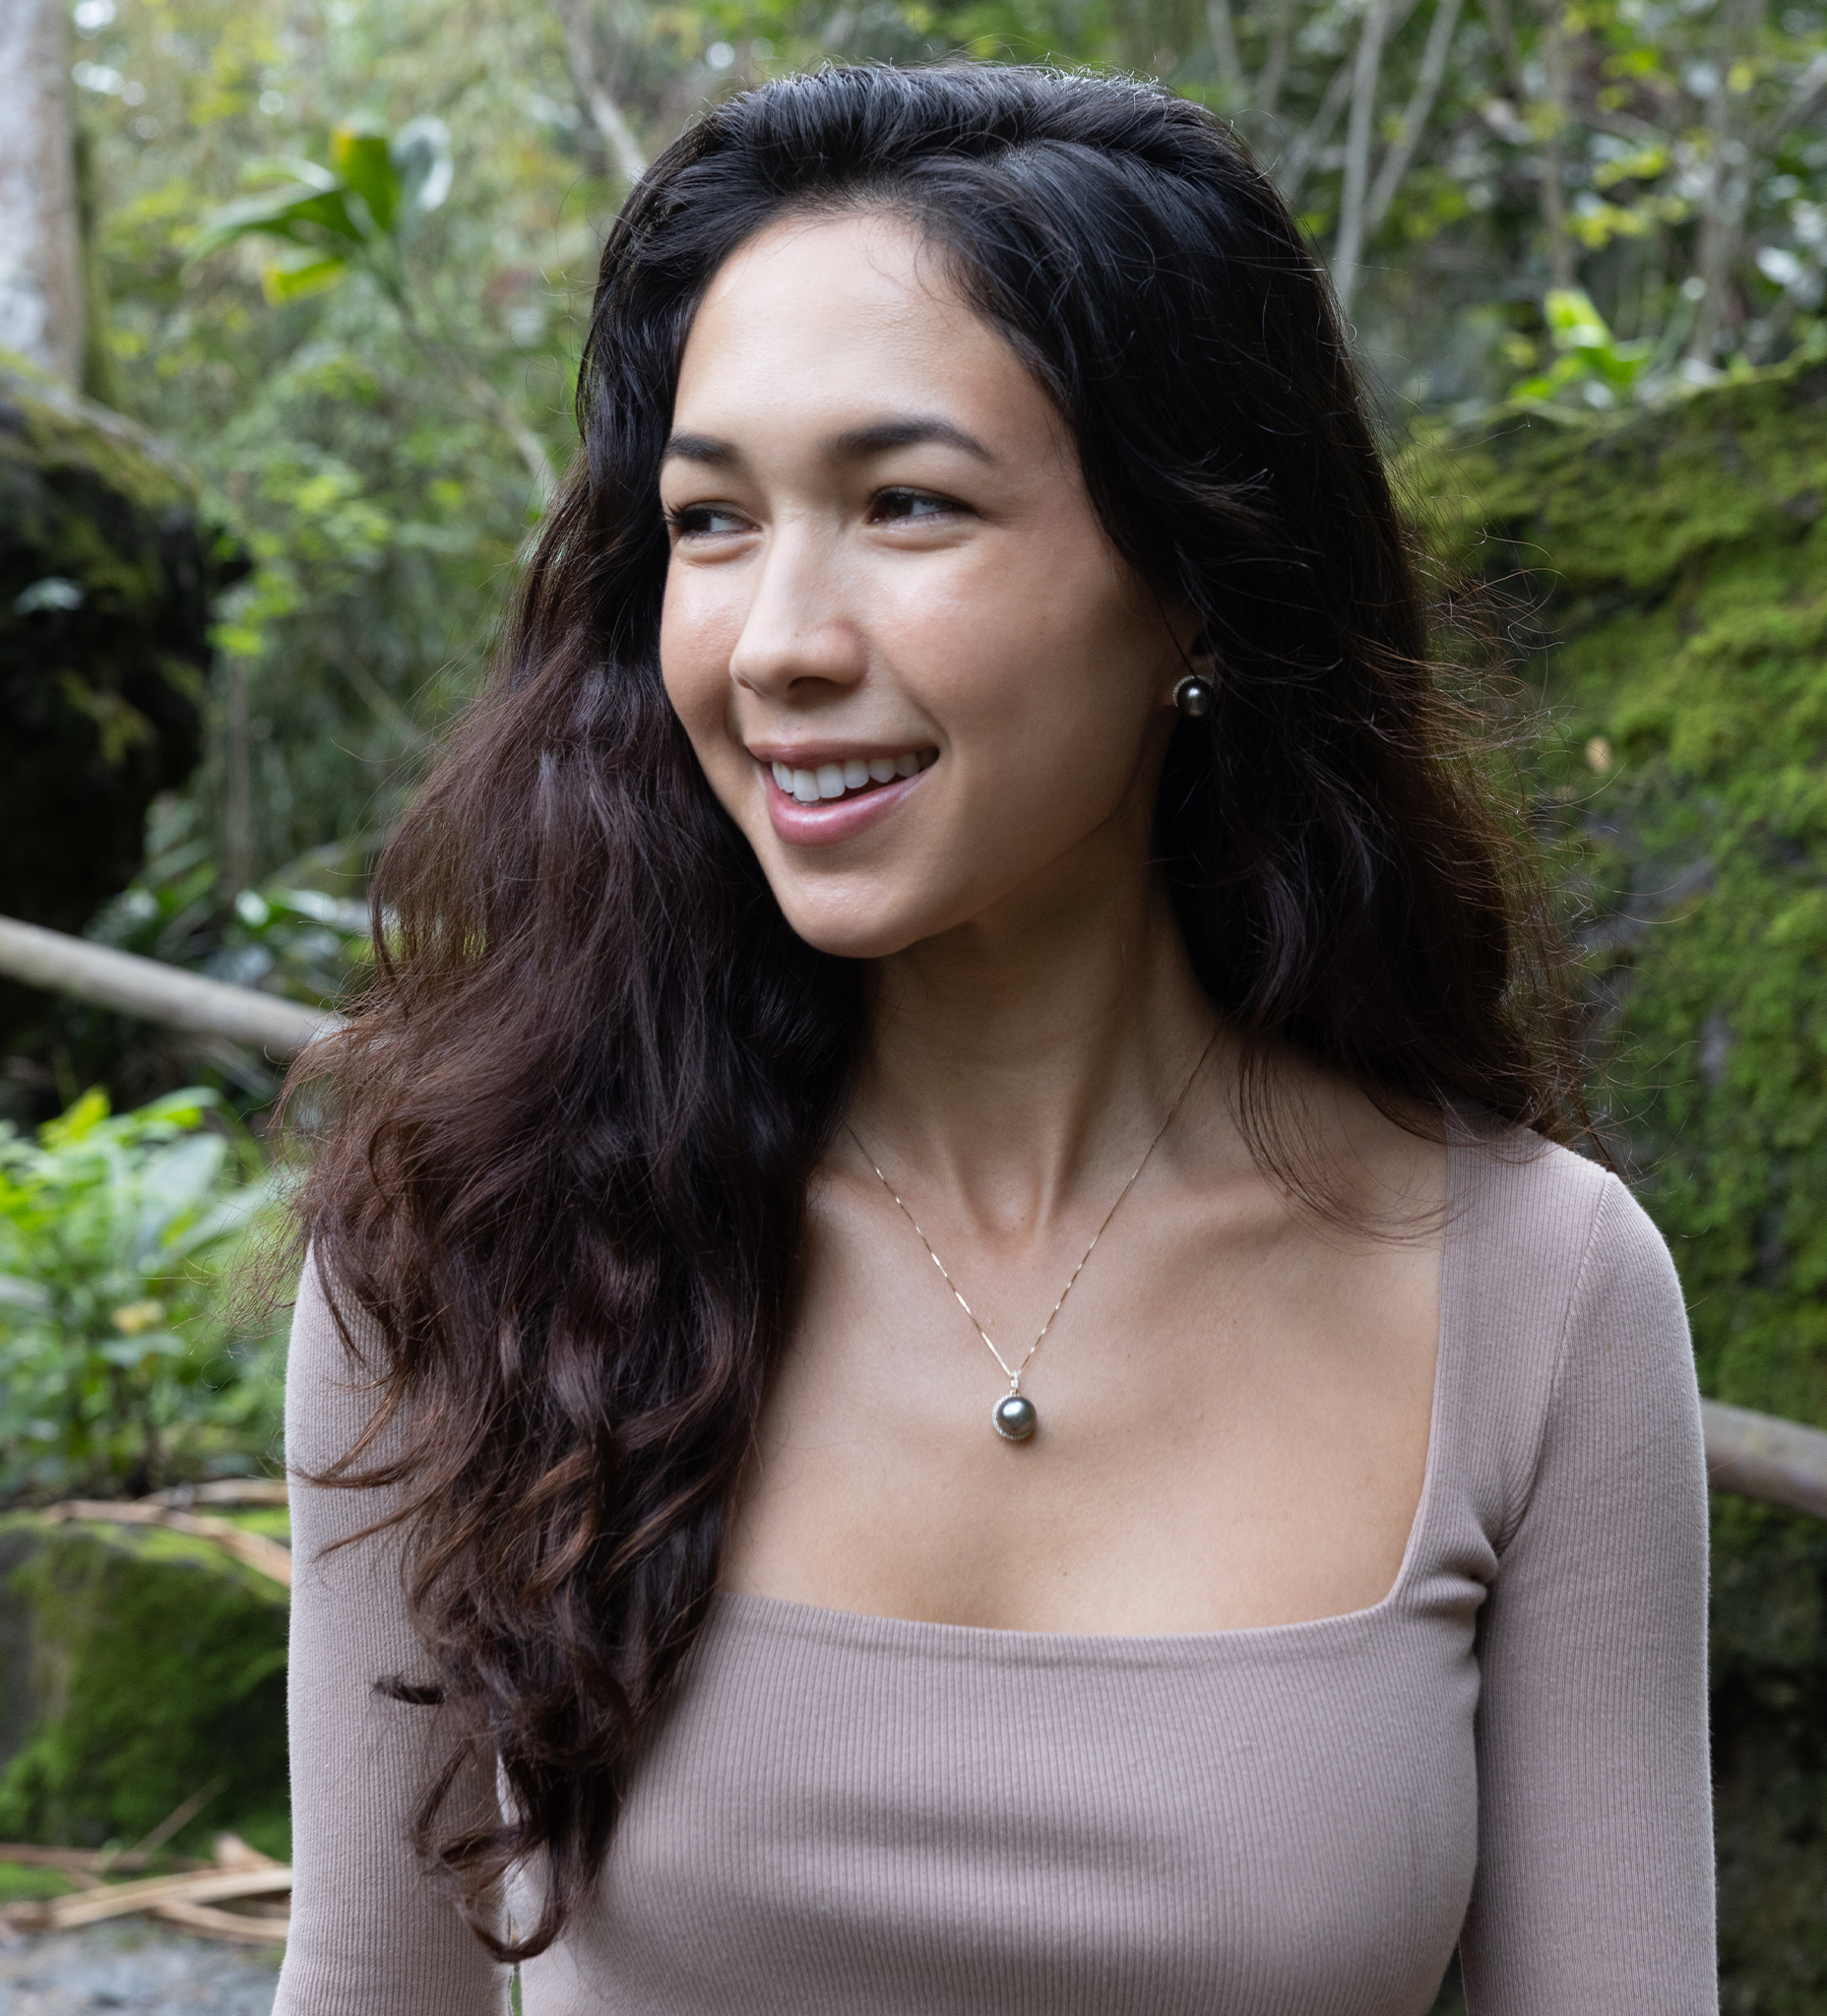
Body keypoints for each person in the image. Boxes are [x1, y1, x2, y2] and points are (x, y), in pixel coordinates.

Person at [270, 61, 1715, 2016]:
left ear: (1195, 577)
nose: (777, 635)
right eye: (709, 520)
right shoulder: (472, 1243)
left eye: (906, 504)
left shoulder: (1534, 1292)